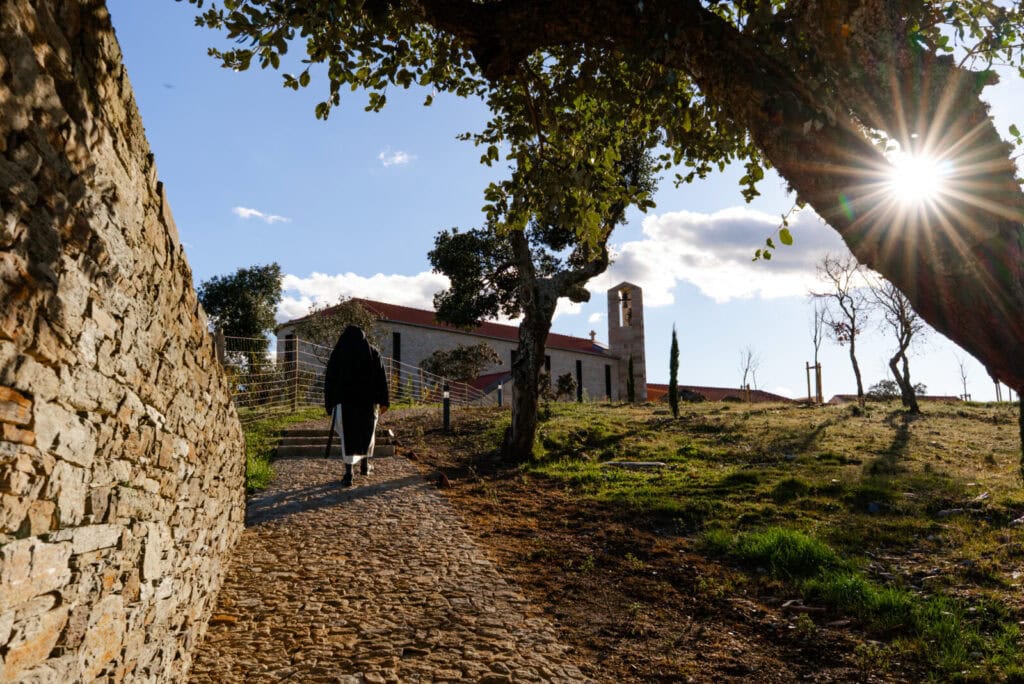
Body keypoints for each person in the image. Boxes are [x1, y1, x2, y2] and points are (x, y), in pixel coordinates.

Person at [324, 325, 390, 487]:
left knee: (348, 438)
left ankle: (349, 473)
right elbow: (381, 377)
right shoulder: (372, 352)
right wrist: (384, 400)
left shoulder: (338, 353)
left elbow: (330, 379)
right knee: (366, 434)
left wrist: (329, 402)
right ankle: (365, 466)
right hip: (367, 403)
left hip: (344, 404)